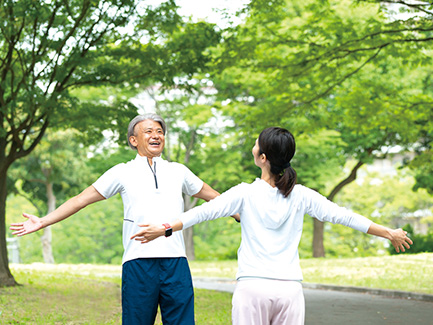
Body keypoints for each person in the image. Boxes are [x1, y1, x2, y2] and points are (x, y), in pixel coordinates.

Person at [130, 126, 413, 325]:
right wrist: (387, 231)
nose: (253, 147)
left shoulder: (244, 192)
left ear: (262, 158)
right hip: (290, 291)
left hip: (252, 289)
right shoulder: (302, 195)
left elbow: (202, 213)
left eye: (256, 144)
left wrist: (164, 228)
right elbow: (344, 216)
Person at [10, 113, 221, 325]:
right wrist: (43, 221)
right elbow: (80, 200)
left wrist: (240, 212)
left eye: (160, 132)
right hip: (138, 264)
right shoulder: (122, 172)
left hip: (176, 262)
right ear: (133, 140)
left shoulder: (179, 171)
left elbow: (214, 196)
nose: (156, 135)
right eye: (149, 131)